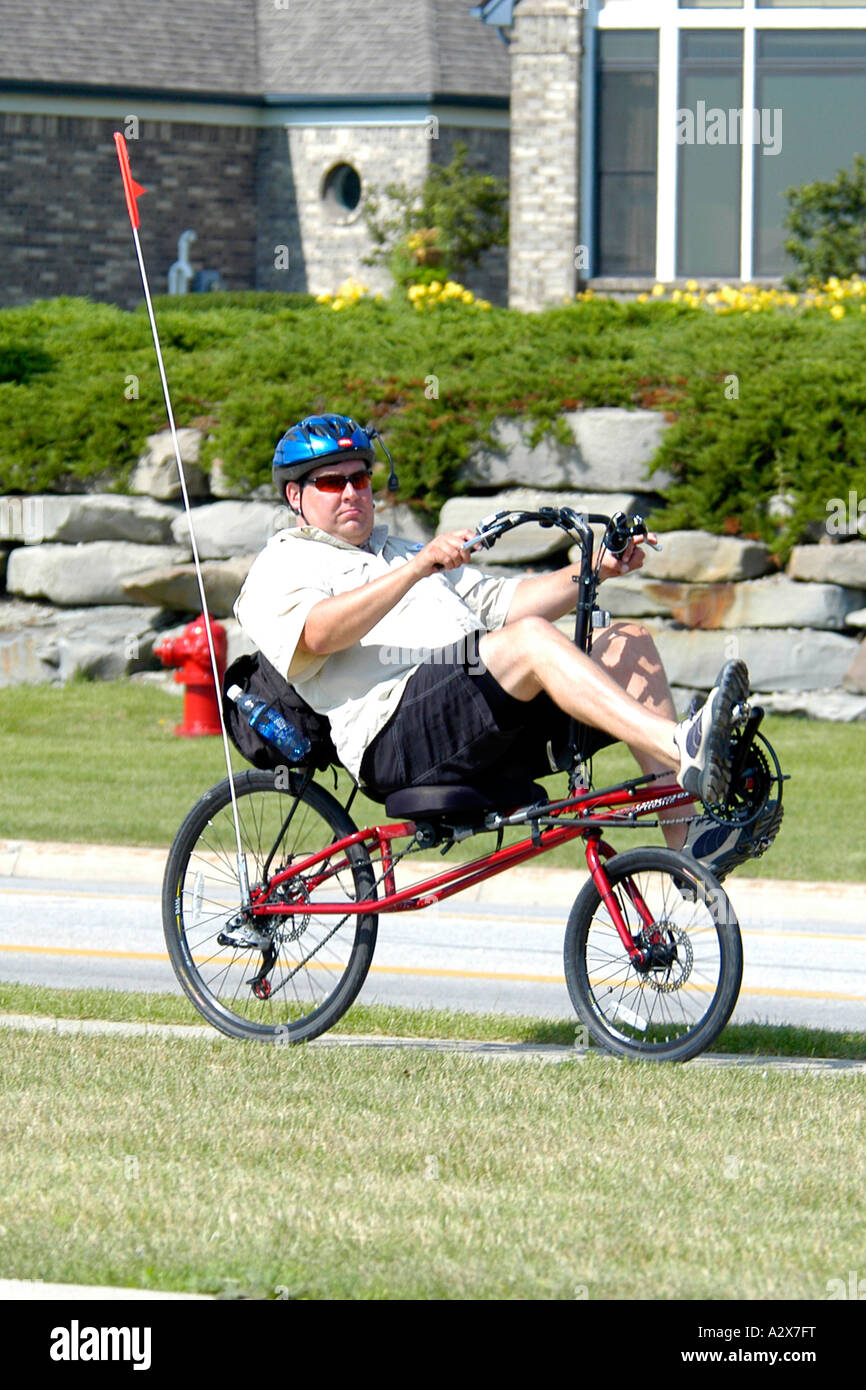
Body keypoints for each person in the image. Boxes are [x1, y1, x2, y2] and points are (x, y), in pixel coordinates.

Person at [234, 414, 750, 859]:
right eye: (331, 482)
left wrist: (596, 567)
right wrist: (416, 570)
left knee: (626, 640)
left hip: (476, 712)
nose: (351, 492)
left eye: (361, 478)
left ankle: (690, 847)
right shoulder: (285, 561)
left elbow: (506, 604)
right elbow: (316, 635)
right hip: (394, 739)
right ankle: (681, 745)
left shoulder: (399, 549)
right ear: (295, 495)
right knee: (529, 640)